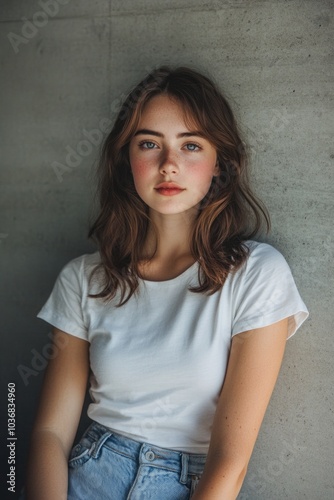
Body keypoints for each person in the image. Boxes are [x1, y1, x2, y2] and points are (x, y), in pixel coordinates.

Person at [25, 66, 309, 499]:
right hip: (88, 474)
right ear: (128, 160)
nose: (169, 164)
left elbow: (231, 462)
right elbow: (49, 431)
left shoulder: (256, 274)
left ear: (219, 163)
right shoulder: (84, 279)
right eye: (149, 143)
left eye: (191, 145)